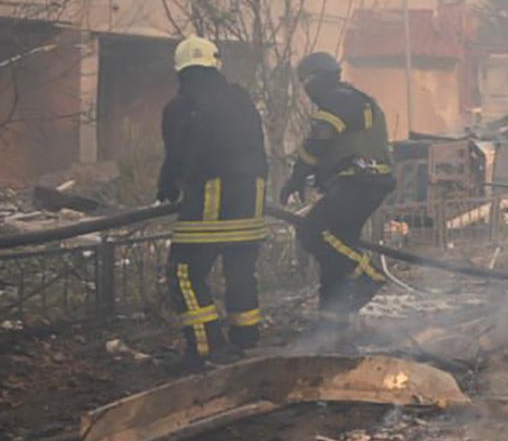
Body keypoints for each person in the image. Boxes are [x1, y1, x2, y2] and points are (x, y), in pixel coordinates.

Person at [159, 36, 268, 368]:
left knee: (183, 271)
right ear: (215, 64)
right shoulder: (240, 98)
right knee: (240, 269)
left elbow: (178, 151)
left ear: (181, 71)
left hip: (213, 194)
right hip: (254, 194)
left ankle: (205, 349)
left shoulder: (181, 106)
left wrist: (167, 183)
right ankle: (246, 341)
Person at [281, 52, 397, 329]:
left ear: (316, 79)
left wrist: (297, 176)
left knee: (314, 231)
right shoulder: (350, 99)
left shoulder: (339, 99)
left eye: (306, 83)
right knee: (336, 254)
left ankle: (368, 275)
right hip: (359, 182)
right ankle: (333, 324)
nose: (306, 91)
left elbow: (320, 139)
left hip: (360, 183)